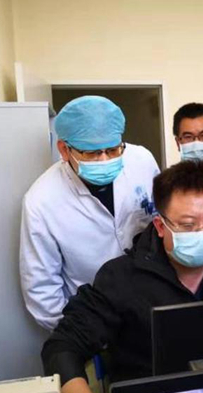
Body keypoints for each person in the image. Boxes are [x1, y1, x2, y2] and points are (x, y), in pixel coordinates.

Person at [41, 160, 203, 393]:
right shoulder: (122, 278)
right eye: (188, 225)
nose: (202, 234)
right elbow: (63, 344)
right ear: (160, 226)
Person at [20, 96, 160, 330]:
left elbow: (162, 219)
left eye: (113, 150)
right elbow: (41, 289)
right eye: (92, 153)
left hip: (150, 300)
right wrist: (79, 333)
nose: (104, 159)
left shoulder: (141, 161)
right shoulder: (41, 201)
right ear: (64, 150)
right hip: (94, 315)